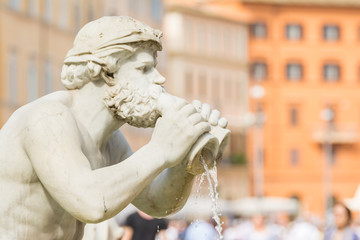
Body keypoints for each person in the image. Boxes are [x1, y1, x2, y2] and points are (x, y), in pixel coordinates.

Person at [0, 16, 227, 239]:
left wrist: (185, 161)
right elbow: (91, 202)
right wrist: (160, 149)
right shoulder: (48, 118)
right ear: (107, 72)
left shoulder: (109, 140)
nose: (159, 79)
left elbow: (156, 204)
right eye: (144, 69)